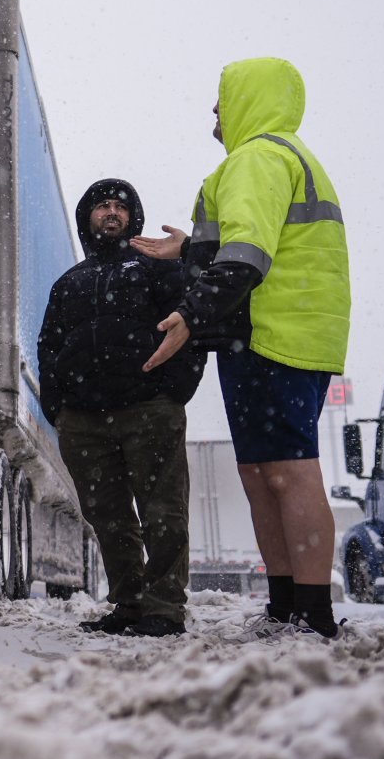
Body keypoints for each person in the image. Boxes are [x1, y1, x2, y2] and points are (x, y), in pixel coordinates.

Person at [134, 57, 350, 638]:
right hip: (264, 334)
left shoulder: (258, 158)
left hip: (276, 335)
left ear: (249, 100)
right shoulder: (274, 158)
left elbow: (247, 256)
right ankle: (285, 605)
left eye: (221, 99)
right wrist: (187, 252)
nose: (214, 111)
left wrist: (187, 311)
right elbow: (249, 243)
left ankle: (312, 612)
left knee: (287, 471)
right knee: (260, 472)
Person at [37, 178, 206, 636]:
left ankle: (164, 608)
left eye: (120, 207)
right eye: (102, 206)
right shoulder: (68, 282)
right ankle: (129, 603)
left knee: (163, 513)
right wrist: (60, 409)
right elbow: (48, 348)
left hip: (149, 409)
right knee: (108, 516)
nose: (111, 213)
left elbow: (191, 328)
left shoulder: (157, 269)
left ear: (134, 218)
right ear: (86, 218)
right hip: (84, 422)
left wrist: (174, 391)